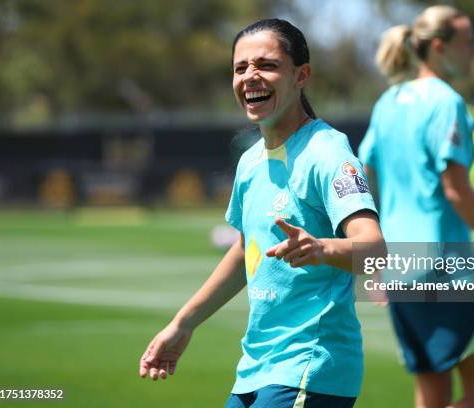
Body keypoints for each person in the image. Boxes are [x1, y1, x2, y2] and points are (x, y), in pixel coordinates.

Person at [138, 18, 385, 408]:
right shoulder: (251, 161)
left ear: (301, 75)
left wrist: (321, 248)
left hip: (309, 368)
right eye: (240, 68)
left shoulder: (327, 153)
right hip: (256, 368)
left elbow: (374, 250)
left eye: (266, 65)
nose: (250, 76)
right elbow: (244, 252)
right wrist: (183, 324)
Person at [359, 5, 474, 407]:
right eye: (467, 43)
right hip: (444, 271)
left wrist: (374, 267)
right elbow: (456, 190)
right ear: (438, 46)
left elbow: (366, 177)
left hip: (399, 270)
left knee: (432, 395)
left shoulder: (388, 102)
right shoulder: (447, 102)